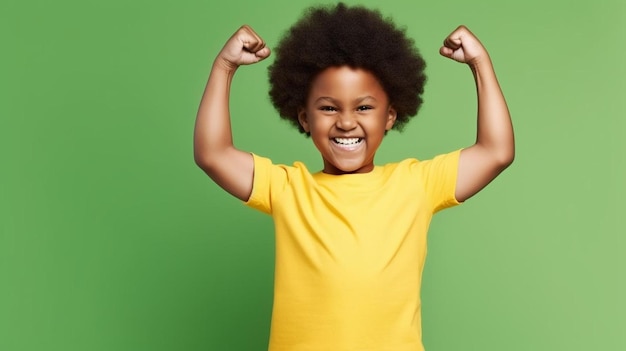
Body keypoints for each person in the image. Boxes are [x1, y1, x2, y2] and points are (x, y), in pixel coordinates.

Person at [194, 3, 514, 351]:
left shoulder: (417, 184)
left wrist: (481, 64)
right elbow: (213, 154)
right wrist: (223, 68)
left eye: (363, 107)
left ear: (390, 116)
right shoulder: (287, 187)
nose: (346, 122)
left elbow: (496, 151)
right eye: (329, 107)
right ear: (304, 118)